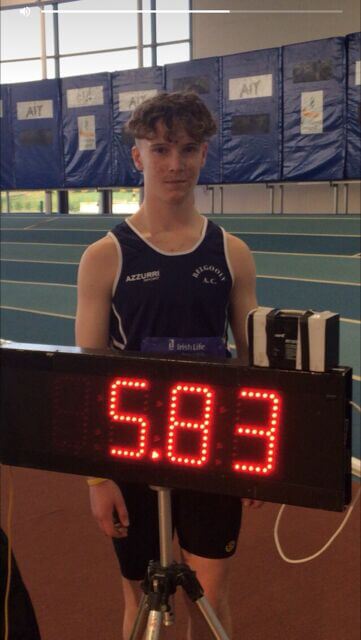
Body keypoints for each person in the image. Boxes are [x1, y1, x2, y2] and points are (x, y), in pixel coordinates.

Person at [75, 91, 261, 640]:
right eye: (160, 149)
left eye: (186, 149)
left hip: (213, 448)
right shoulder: (105, 256)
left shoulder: (233, 252)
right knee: (138, 596)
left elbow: (250, 363)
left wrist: (251, 456)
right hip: (131, 450)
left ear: (204, 154)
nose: (174, 163)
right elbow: (89, 376)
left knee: (212, 592)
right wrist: (97, 476)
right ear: (138, 158)